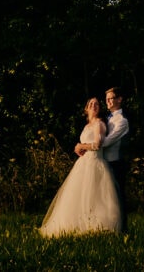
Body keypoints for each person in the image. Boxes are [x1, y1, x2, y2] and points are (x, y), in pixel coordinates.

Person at [38, 97, 122, 238]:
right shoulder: (86, 126)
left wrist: (81, 146)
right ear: (86, 108)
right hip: (83, 164)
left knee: (95, 197)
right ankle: (76, 226)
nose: (94, 105)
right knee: (78, 196)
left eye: (96, 104)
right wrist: (79, 149)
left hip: (96, 164)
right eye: (91, 104)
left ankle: (97, 227)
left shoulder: (99, 124)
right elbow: (87, 144)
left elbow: (97, 145)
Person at [100, 87, 130, 233]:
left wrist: (86, 145)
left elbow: (106, 142)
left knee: (118, 197)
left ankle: (122, 229)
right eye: (106, 99)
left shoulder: (122, 121)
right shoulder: (105, 119)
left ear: (119, 99)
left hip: (116, 163)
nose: (108, 101)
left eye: (111, 98)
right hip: (103, 162)